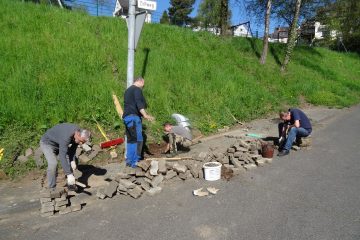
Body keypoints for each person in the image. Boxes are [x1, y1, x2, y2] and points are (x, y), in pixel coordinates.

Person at [40, 123, 90, 190]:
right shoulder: (67, 136)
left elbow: (72, 150)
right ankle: (52, 189)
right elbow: (62, 156)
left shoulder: (77, 133)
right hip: (47, 144)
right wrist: (69, 174)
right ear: (78, 134)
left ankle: (71, 184)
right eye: (81, 141)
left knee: (71, 160)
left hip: (59, 143)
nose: (81, 144)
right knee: (53, 163)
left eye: (83, 142)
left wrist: (72, 161)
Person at [123, 77, 154, 167]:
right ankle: (135, 161)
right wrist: (145, 115)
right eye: (143, 85)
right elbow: (138, 102)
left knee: (131, 140)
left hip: (127, 118)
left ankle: (129, 160)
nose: (143, 87)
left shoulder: (127, 91)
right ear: (140, 81)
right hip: (133, 118)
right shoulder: (137, 89)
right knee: (138, 140)